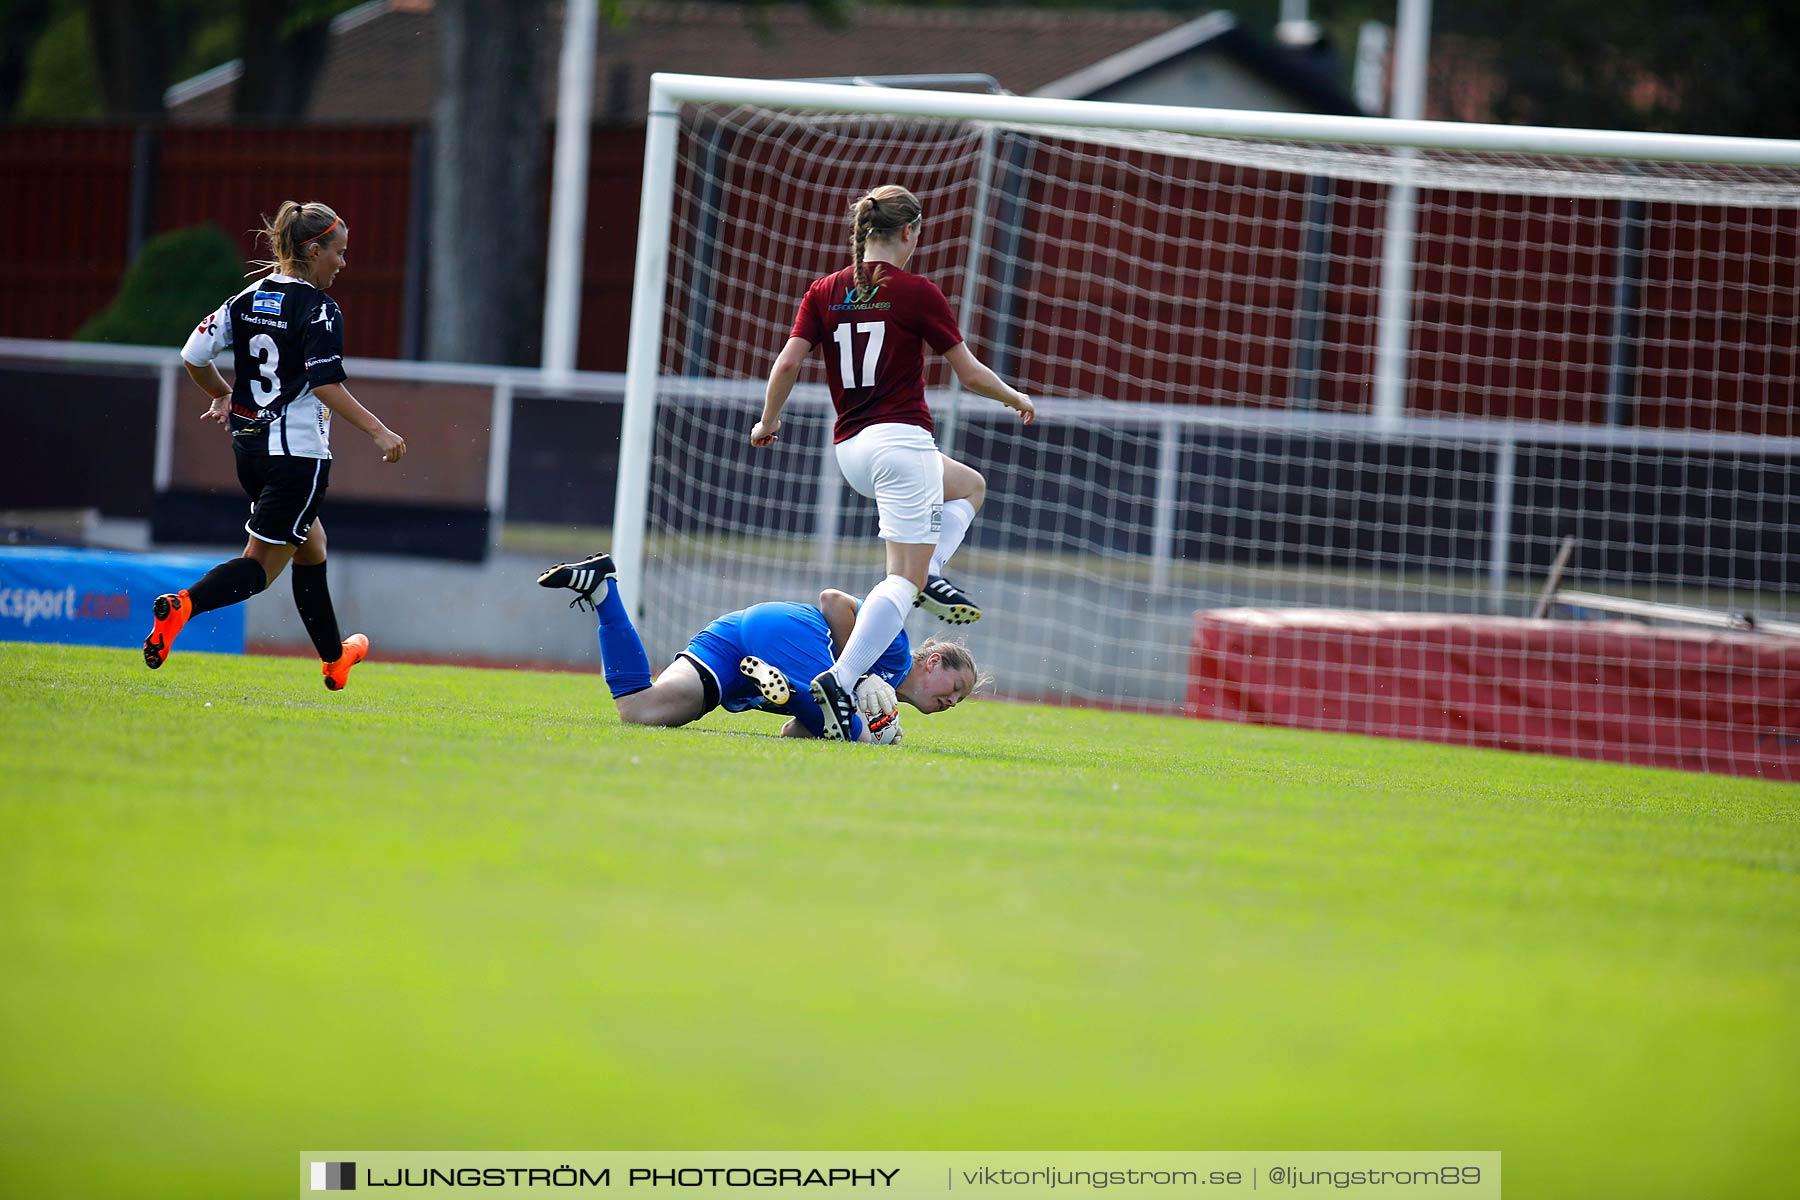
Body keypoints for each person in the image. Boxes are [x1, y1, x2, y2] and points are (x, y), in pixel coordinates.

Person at [752, 184, 1033, 740]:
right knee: (899, 583)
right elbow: (971, 374)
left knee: (969, 486)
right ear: (909, 233)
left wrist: (769, 422)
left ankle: (931, 570)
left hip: (852, 450)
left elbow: (786, 365)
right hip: (902, 446)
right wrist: (1015, 398)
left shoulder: (825, 290)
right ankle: (843, 677)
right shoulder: (917, 292)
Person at [142, 201, 407, 690]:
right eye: (339, 253)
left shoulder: (246, 299)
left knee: (311, 546)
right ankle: (184, 605)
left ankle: (334, 659)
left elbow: (192, 354)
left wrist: (223, 393)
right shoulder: (320, 309)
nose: (343, 264)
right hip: (297, 458)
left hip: (250, 451)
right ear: (312, 249)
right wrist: (378, 430)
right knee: (259, 568)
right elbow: (325, 383)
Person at [537, 552, 980, 742]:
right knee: (856, 735)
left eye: (958, 700)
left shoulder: (884, 701)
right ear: (934, 660)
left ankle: (601, 590)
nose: (953, 700)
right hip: (793, 630)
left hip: (739, 635)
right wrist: (857, 674)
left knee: (640, 709)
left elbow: (793, 733)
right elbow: (833, 602)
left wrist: (824, 714)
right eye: (955, 686)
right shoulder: (896, 647)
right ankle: (789, 688)